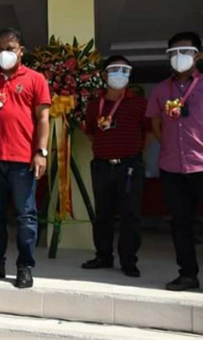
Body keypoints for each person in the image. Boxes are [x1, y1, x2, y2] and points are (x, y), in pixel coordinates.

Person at [0, 28, 51, 289]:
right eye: (0, 49)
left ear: (21, 51)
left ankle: (25, 266)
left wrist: (41, 152)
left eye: (10, 48)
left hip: (23, 161)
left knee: (26, 216)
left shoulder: (36, 79)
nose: (5, 53)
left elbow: (43, 119)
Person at [82, 56, 150, 278]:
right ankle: (103, 256)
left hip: (129, 166)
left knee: (131, 214)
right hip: (102, 166)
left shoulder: (140, 103)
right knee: (102, 213)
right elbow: (91, 132)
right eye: (114, 70)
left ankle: (129, 260)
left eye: (124, 70)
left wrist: (136, 151)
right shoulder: (94, 106)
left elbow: (148, 131)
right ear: (104, 75)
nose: (119, 74)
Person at [146, 31, 203, 291]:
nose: (179, 58)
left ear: (198, 55)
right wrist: (168, 146)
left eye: (186, 52)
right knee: (180, 223)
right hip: (171, 167)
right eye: (174, 53)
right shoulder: (160, 89)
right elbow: (155, 124)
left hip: (201, 164)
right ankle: (188, 274)